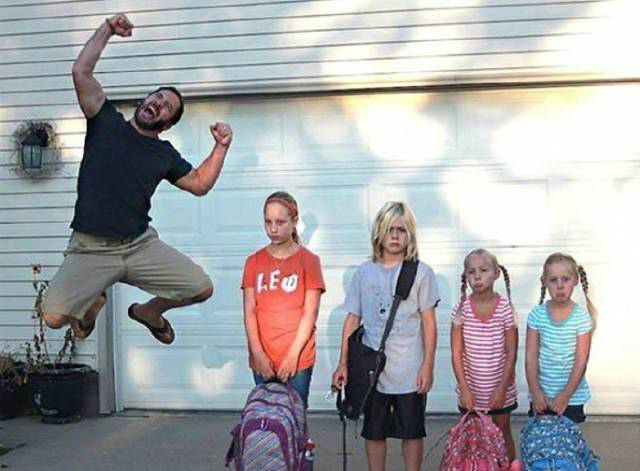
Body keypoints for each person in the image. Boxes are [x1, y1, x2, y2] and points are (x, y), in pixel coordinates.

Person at [41, 14, 233, 345]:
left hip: (138, 246)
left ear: (167, 124)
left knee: (201, 288)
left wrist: (221, 147)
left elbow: (200, 184)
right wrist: (107, 29)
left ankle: (148, 312)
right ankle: (90, 309)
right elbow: (81, 71)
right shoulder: (105, 121)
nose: (158, 104)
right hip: (90, 248)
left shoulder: (164, 154)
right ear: (144, 100)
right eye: (157, 97)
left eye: (167, 107)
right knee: (53, 318)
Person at [332, 201, 440, 471]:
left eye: (401, 230)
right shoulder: (364, 272)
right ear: (378, 232)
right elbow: (352, 319)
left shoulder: (421, 273)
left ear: (410, 234)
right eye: (389, 229)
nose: (395, 236)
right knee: (374, 431)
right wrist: (343, 363)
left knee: (411, 431)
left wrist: (428, 364)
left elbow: (429, 322)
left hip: (409, 368)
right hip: (373, 370)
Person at [241, 191, 325, 407]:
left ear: (294, 221)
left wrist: (293, 356)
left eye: (280, 222)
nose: (273, 228)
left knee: (294, 414)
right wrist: (258, 354)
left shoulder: (309, 261)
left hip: (298, 358)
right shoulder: (253, 262)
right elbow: (250, 311)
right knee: (265, 415)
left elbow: (310, 314)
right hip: (263, 357)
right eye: (268, 222)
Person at [450, 248, 518, 463]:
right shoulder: (461, 309)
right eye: (471, 272)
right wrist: (464, 389)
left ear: (496, 273)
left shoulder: (505, 308)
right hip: (471, 390)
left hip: (500, 388)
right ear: (465, 276)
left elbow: (511, 350)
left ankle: (507, 466)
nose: (477, 276)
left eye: (484, 270)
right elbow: (456, 351)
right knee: (472, 437)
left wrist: (502, 388)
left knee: (502, 431)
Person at [526, 252, 597, 423]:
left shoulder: (581, 317)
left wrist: (565, 396)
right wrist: (536, 392)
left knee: (568, 438)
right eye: (553, 280)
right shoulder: (537, 314)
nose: (559, 286)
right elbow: (531, 356)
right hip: (542, 395)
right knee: (541, 437)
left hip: (572, 397)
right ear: (544, 281)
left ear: (575, 280)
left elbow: (581, 360)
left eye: (565, 279)